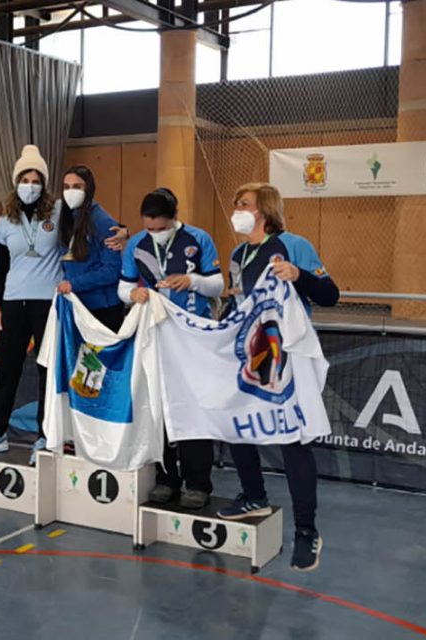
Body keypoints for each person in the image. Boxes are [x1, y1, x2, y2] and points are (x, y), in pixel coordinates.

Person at [215, 182, 339, 572]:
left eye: (244, 203)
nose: (236, 208)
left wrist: (297, 274)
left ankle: (307, 530)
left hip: (289, 357)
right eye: (236, 202)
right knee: (235, 422)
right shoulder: (238, 253)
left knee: (293, 440)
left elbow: (329, 293)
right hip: (251, 354)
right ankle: (254, 495)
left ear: (265, 210)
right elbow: (241, 303)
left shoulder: (293, 244)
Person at [120, 188, 224, 511]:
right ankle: (166, 478)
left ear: (175, 219)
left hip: (194, 336)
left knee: (192, 409)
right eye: (149, 228)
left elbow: (218, 284)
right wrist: (131, 296)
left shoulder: (199, 239)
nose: (155, 234)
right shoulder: (136, 245)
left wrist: (191, 281)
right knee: (159, 409)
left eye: (161, 228)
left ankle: (197, 483)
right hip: (155, 335)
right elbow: (124, 285)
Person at [0, 145, 60, 459]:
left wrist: (121, 231)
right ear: (16, 181)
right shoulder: (4, 221)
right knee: (7, 370)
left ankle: (45, 436)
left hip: (47, 303)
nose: (30, 185)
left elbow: (90, 220)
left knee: (47, 371)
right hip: (12, 302)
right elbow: (1, 267)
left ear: (44, 184)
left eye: (36, 180)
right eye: (25, 179)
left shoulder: (58, 212)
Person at [57, 165, 124, 332]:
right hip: (78, 305)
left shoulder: (103, 222)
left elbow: (112, 270)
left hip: (103, 308)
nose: (70, 191)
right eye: (66, 187)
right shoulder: (67, 217)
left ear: (89, 188)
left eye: (77, 187)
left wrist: (74, 284)